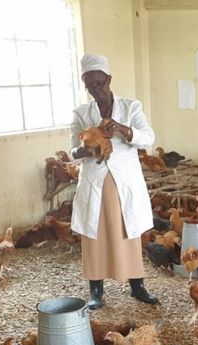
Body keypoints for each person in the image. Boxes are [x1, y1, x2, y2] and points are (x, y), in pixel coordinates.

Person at [70, 53, 159, 310]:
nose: (95, 90)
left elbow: (148, 137)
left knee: (127, 230)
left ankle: (137, 285)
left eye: (99, 83)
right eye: (90, 86)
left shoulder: (131, 107)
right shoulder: (81, 113)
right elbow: (73, 152)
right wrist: (95, 137)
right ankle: (96, 291)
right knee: (94, 234)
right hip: (95, 182)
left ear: (108, 79)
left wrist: (121, 128)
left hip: (124, 183)